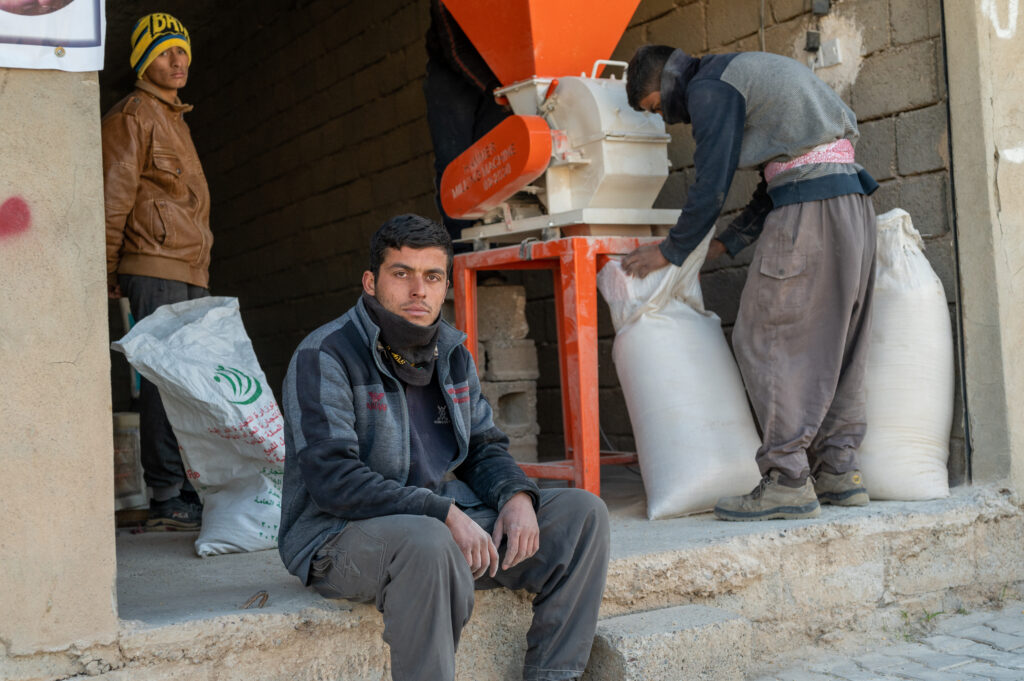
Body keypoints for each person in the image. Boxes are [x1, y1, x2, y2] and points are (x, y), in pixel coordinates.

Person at [277, 214, 609, 681]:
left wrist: (515, 496)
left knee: (581, 514)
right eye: (402, 274)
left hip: (433, 521)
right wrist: (444, 514)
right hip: (337, 536)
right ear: (371, 282)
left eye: (432, 277)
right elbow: (334, 481)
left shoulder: (451, 354)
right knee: (429, 542)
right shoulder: (325, 355)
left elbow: (481, 446)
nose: (419, 291)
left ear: (444, 284)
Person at [621, 45, 877, 521]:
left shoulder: (709, 86)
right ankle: (839, 472)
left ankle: (786, 480)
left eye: (657, 108)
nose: (669, 122)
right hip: (851, 204)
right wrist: (729, 243)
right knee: (838, 342)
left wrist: (670, 250)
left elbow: (711, 183)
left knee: (766, 337)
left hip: (810, 210)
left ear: (667, 82)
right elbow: (778, 172)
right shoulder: (741, 73)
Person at [102, 12, 211, 531]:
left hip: (189, 268)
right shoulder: (134, 114)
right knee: (164, 382)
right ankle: (165, 493)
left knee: (190, 383)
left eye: (183, 51)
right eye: (166, 51)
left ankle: (186, 486)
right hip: (153, 264)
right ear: (144, 61)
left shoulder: (177, 119)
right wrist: (105, 269)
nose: (178, 60)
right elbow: (113, 197)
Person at [423, 0, 510, 245]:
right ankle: (461, 251)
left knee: (492, 162)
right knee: (455, 165)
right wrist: (495, 89)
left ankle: (487, 252)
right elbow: (454, 49)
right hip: (451, 73)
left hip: (498, 68)